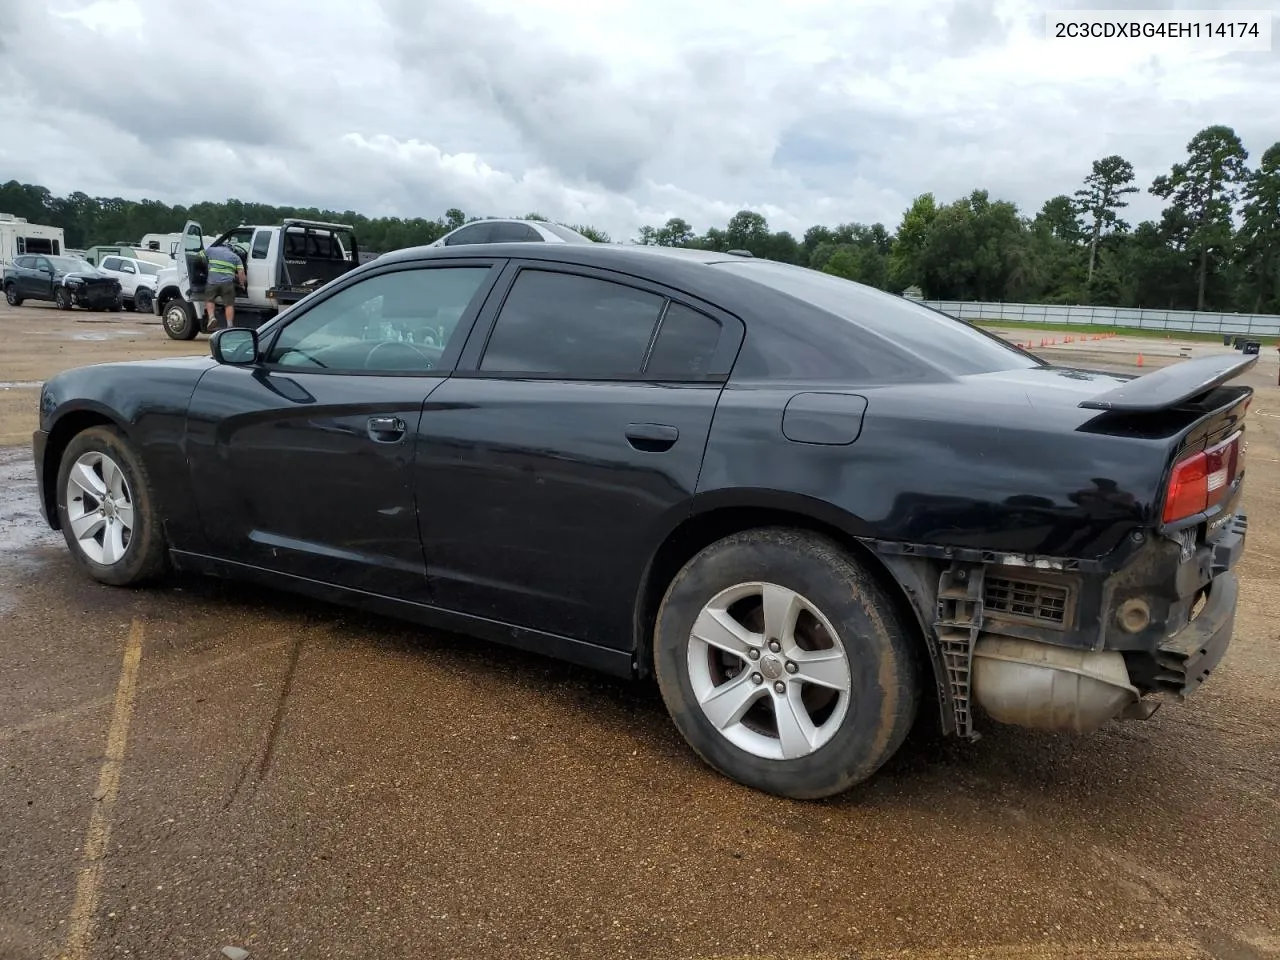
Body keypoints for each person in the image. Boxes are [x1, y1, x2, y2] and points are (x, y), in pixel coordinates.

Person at [202, 241, 245, 330]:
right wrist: (242, 284)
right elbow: (241, 273)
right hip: (227, 283)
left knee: (210, 299)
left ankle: (211, 318)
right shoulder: (236, 257)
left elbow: (200, 255)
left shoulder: (211, 250)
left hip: (212, 282)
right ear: (231, 249)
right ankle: (229, 325)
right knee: (229, 304)